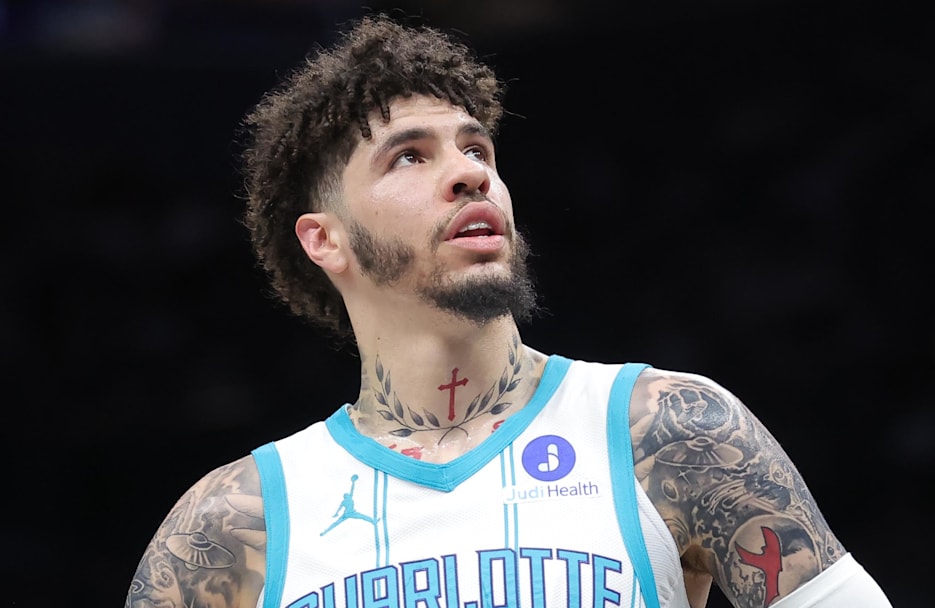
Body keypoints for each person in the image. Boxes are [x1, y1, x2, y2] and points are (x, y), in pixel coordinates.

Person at [125, 13, 893, 608]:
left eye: (477, 150)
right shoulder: (230, 526)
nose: (467, 175)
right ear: (325, 240)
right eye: (411, 156)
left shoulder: (667, 429)